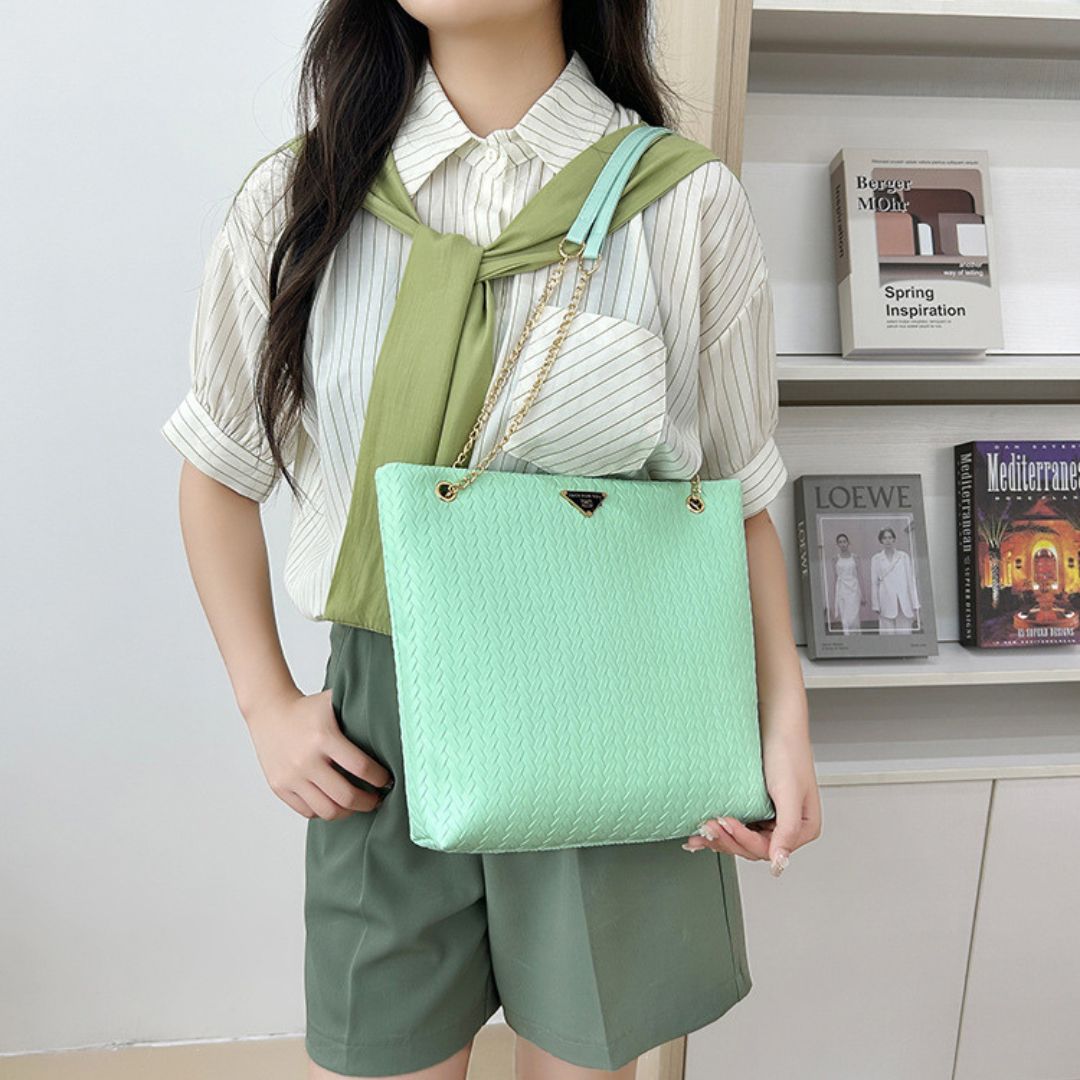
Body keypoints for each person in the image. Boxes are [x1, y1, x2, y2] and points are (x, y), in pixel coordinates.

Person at [160, 2, 822, 1077]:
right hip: (380, 720)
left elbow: (734, 495)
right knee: (384, 1053)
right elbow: (217, 467)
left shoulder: (684, 200)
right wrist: (265, 703)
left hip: (613, 696)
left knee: (585, 1057)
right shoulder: (298, 196)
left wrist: (783, 720)